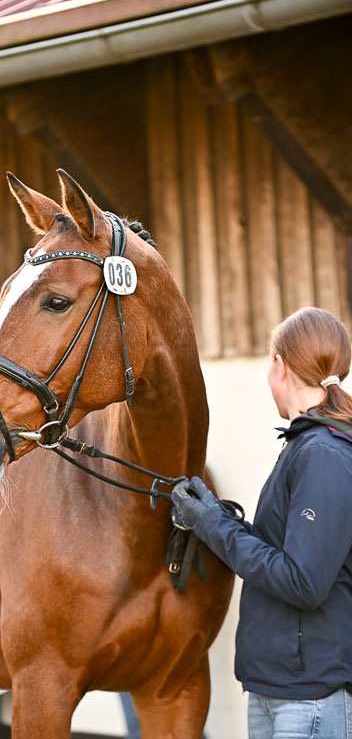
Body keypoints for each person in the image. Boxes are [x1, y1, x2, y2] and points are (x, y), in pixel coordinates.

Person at [171, 307, 352, 739]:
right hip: (278, 690)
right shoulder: (304, 444)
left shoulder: (323, 454)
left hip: (308, 700)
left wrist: (214, 524)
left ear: (279, 366)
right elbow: (282, 552)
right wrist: (211, 516)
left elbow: (302, 581)